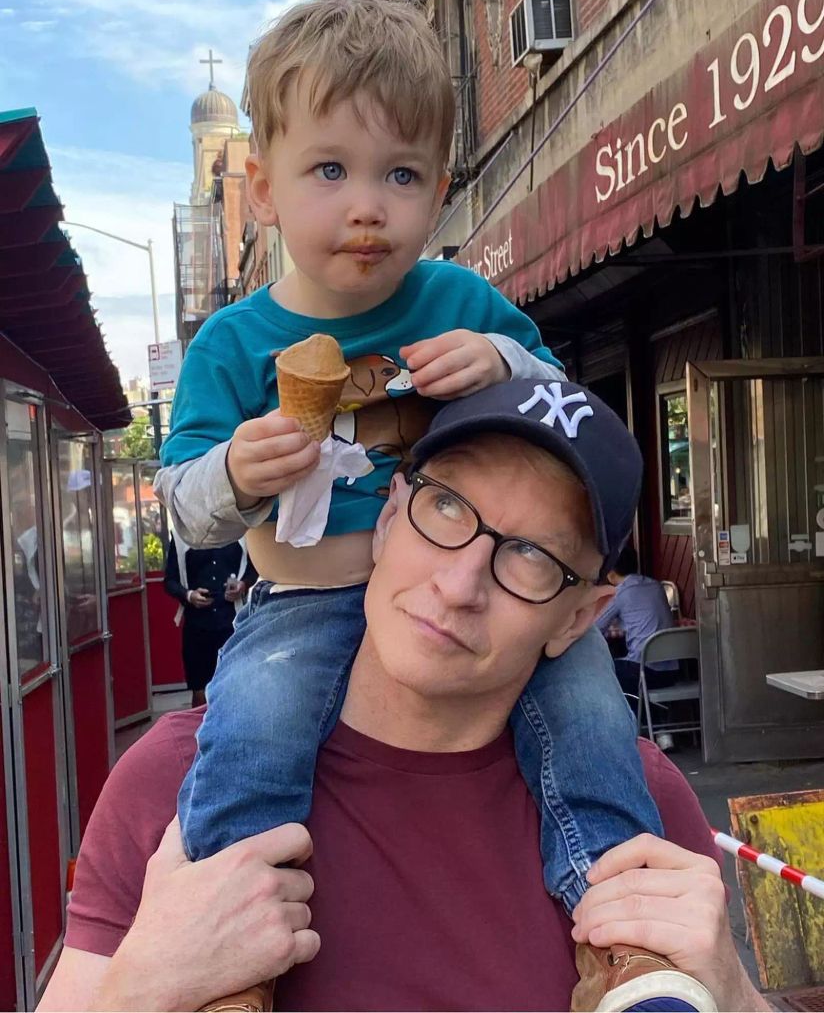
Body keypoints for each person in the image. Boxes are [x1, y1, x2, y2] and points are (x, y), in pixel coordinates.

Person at [153, 0, 664, 938]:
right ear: (262, 189)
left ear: (438, 194)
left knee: (592, 712)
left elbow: (565, 402)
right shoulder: (232, 342)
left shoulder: (460, 299)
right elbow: (184, 507)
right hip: (302, 601)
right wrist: (235, 468)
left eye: (401, 174)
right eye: (330, 169)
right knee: (253, 732)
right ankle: (232, 935)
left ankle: (622, 923)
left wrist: (501, 361)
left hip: (471, 592)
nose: (367, 205)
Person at [40, 381, 768, 1013]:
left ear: (578, 618)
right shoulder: (180, 780)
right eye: (447, 506)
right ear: (388, 517)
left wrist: (733, 993)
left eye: (531, 555)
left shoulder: (636, 806)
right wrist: (142, 987)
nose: (458, 585)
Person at [163, 536, 258, 707]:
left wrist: (243, 585)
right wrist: (189, 595)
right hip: (197, 625)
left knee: (234, 686)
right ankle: (200, 724)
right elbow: (170, 581)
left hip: (232, 624)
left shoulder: (239, 532)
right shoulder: (182, 536)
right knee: (200, 690)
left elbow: (254, 569)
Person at [596, 544, 677, 698]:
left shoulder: (620, 592)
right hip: (671, 672)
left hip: (642, 674)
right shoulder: (656, 585)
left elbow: (596, 628)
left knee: (598, 670)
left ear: (610, 572)